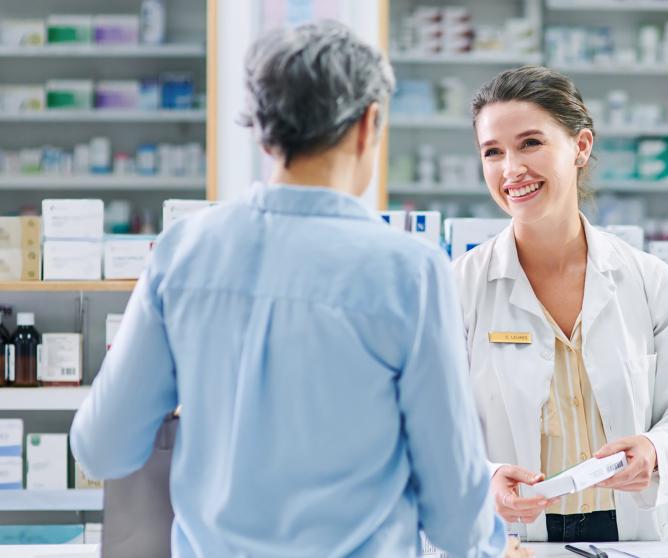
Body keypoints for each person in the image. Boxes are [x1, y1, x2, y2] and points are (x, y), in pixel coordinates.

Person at [71, 21, 510, 558]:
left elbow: (103, 448)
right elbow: (454, 510)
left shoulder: (185, 251)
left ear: (261, 129)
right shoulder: (409, 271)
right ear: (369, 123)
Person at [453, 65, 668, 543]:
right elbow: (433, 431)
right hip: (511, 537)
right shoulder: (460, 290)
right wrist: (485, 477)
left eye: (531, 143)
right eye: (492, 152)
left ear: (580, 147)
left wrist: (655, 452)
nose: (511, 168)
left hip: (631, 533)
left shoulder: (648, 281)